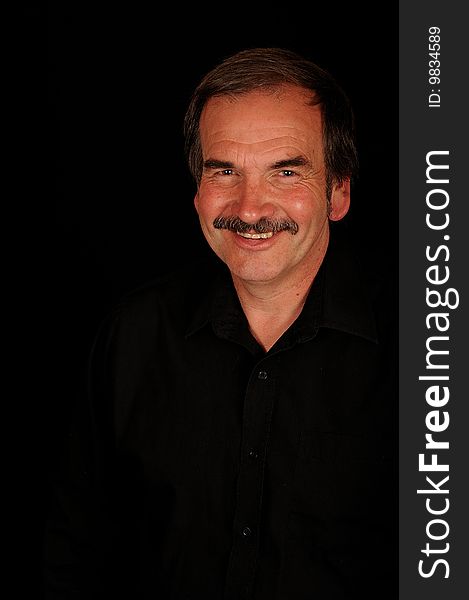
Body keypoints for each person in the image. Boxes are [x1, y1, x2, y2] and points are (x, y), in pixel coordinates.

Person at [44, 47, 398, 599]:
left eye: (285, 172)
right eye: (224, 171)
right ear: (197, 190)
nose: (250, 208)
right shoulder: (133, 336)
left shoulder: (430, 348)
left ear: (339, 191)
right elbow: (75, 552)